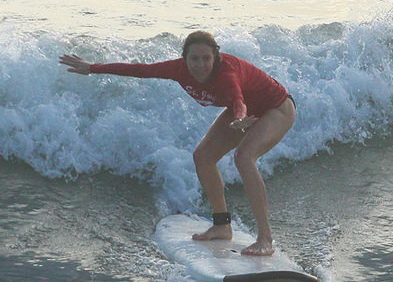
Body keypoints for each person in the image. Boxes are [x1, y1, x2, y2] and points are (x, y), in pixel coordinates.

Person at [60, 31, 296, 257]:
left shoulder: (226, 74)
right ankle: (222, 226)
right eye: (194, 58)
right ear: (184, 59)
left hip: (277, 107)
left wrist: (239, 119)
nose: (200, 65)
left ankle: (265, 239)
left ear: (216, 58)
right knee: (202, 157)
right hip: (245, 113)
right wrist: (92, 68)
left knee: (244, 157)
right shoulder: (178, 70)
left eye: (206, 58)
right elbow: (139, 70)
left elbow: (237, 99)